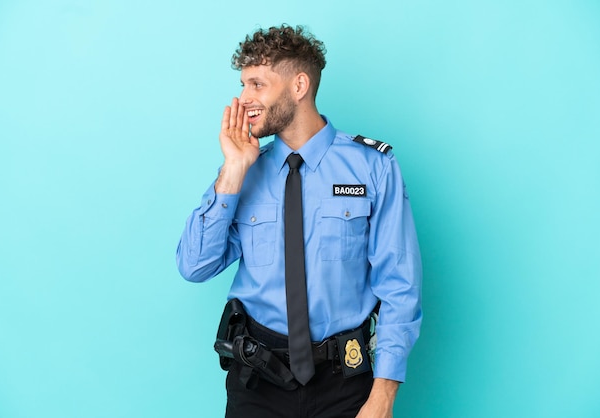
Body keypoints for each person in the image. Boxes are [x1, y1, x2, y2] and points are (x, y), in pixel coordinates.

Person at [176, 24, 422, 418]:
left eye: (257, 85)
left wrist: (383, 396)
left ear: (299, 85)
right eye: (243, 85)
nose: (243, 100)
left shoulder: (372, 167)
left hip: (344, 383)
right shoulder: (245, 172)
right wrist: (233, 169)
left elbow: (400, 285)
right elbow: (194, 266)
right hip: (257, 382)